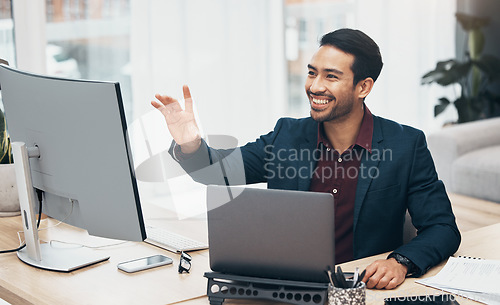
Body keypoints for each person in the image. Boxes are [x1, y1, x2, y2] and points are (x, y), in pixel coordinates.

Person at [151, 28, 461, 290]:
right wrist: (190, 142)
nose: (314, 86)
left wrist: (401, 262)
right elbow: (220, 174)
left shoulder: (406, 144)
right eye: (312, 73)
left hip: (359, 290)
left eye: (331, 76)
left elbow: (443, 228)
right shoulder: (287, 134)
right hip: (288, 286)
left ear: (363, 87)